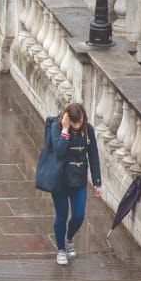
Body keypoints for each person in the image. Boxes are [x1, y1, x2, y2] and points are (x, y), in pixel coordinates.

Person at [47, 103, 102, 266]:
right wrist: (65, 129)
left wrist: (97, 182)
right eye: (74, 122)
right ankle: (61, 249)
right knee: (62, 215)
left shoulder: (88, 130)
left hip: (79, 179)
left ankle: (69, 238)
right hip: (60, 180)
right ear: (67, 118)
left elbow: (94, 156)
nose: (77, 126)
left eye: (80, 122)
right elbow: (59, 151)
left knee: (78, 216)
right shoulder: (56, 127)